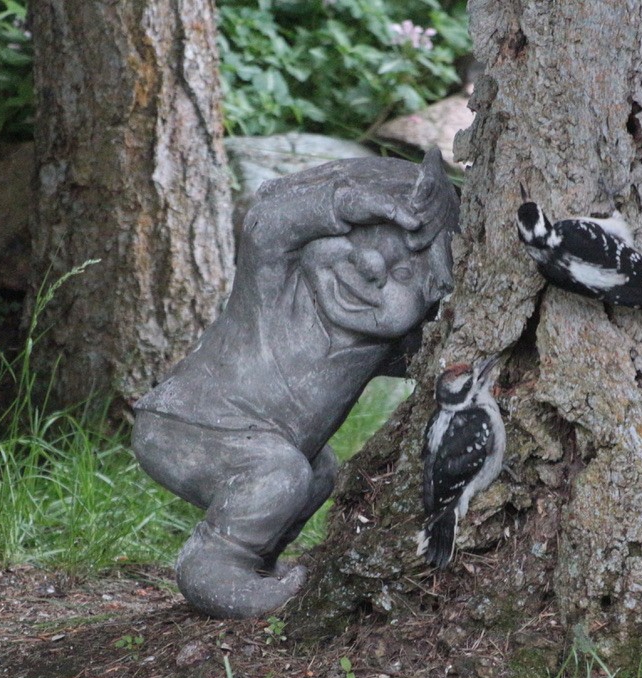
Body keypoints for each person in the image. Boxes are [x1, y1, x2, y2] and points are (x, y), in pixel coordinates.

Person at [132, 150, 458, 618]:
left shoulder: (382, 341)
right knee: (280, 474)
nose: (371, 267)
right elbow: (267, 221)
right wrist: (343, 202)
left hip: (257, 440)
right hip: (188, 422)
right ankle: (214, 566)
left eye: (404, 272)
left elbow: (439, 353)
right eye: (362, 237)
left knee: (318, 472)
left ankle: (256, 562)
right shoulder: (276, 286)